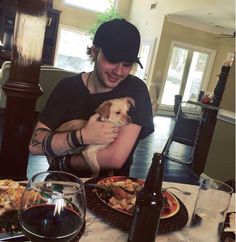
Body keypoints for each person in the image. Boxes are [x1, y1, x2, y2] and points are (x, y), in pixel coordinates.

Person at [29, 18, 154, 177]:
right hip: (60, 186)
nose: (119, 71)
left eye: (127, 64)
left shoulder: (136, 90)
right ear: (94, 52)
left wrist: (60, 162)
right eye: (112, 59)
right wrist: (82, 136)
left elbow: (114, 158)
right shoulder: (67, 88)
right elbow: (35, 145)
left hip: (109, 191)